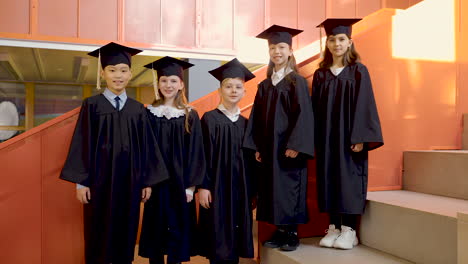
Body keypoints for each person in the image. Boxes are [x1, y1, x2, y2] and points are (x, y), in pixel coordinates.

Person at [60, 42, 169, 264]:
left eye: (123, 70)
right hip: (98, 183)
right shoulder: (91, 105)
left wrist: (147, 181)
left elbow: (147, 147)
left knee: (126, 228)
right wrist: (81, 183)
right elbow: (81, 142)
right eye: (112, 70)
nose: (118, 75)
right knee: (97, 229)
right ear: (103, 73)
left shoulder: (137, 109)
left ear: (130, 74)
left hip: (130, 182)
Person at [312, 18, 384, 250]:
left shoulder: (359, 71)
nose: (336, 44)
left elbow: (366, 105)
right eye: (332, 40)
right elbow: (314, 109)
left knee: (349, 179)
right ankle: (333, 226)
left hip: (350, 137)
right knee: (329, 178)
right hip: (327, 137)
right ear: (327, 44)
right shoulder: (321, 74)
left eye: (341, 39)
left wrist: (360, 137)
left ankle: (349, 230)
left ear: (350, 42)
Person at [243, 25, 315, 251]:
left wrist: (296, 144)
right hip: (268, 148)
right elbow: (256, 117)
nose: (277, 51)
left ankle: (292, 233)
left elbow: (304, 114)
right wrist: (255, 145)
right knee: (272, 188)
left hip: (288, 148)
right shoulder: (265, 85)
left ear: (290, 51)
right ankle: (280, 229)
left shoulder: (297, 81)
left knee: (290, 187)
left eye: (282, 47)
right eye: (273, 47)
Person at [138, 56, 206, 264]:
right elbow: (143, 149)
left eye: (173, 81)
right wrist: (145, 181)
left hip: (180, 183)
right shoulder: (147, 113)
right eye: (164, 80)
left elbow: (196, 151)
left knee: (178, 229)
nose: (168, 85)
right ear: (158, 83)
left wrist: (190, 187)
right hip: (155, 184)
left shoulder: (189, 114)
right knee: (156, 228)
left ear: (181, 84)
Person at [198, 58, 257, 264]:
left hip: (240, 189)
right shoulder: (209, 119)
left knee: (236, 237)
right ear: (220, 90)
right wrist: (203, 187)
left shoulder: (246, 124)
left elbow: (251, 162)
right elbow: (201, 155)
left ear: (244, 92)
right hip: (216, 187)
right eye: (228, 86)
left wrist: (253, 191)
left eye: (238, 87)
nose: (233, 90)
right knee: (217, 237)